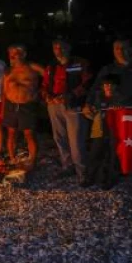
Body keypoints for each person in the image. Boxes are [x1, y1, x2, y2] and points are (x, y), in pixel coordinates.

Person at [85, 39, 132, 193]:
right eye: (116, 48)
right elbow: (96, 90)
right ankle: (103, 176)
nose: (119, 51)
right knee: (100, 145)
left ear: (131, 49)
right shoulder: (108, 69)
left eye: (123, 47)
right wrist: (89, 104)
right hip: (107, 115)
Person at [41, 40, 93, 182]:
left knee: (76, 141)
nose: (58, 50)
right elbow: (45, 84)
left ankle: (83, 173)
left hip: (73, 106)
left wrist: (70, 95)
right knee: (60, 138)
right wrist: (47, 97)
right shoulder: (51, 66)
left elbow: (87, 82)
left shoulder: (80, 63)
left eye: (61, 47)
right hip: (54, 106)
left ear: (69, 48)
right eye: (55, 47)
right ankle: (68, 166)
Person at [2, 44, 41, 168]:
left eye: (16, 53)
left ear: (23, 54)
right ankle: (12, 158)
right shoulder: (7, 71)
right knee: (11, 133)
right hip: (10, 105)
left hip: (27, 105)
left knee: (29, 134)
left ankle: (32, 159)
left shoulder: (33, 67)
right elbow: (4, 91)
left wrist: (44, 92)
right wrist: (2, 109)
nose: (13, 56)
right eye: (11, 54)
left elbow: (50, 76)